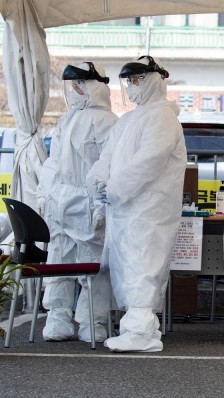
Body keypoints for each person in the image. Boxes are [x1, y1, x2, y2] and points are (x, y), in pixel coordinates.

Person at [87, 55, 187, 352]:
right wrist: (98, 180)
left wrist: (116, 188)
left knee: (144, 266)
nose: (132, 86)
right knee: (127, 267)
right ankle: (134, 328)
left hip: (149, 210)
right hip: (125, 209)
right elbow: (107, 157)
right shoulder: (128, 120)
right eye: (129, 81)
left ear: (155, 81)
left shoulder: (163, 118)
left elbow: (149, 161)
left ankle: (143, 333)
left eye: (138, 80)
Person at [36, 61, 118, 342]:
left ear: (91, 87)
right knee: (60, 257)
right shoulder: (66, 120)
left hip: (88, 206)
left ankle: (91, 320)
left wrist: (100, 204)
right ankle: (57, 317)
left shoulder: (108, 123)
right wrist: (43, 194)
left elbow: (109, 167)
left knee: (93, 265)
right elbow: (54, 163)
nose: (74, 91)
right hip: (61, 204)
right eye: (71, 86)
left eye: (78, 85)